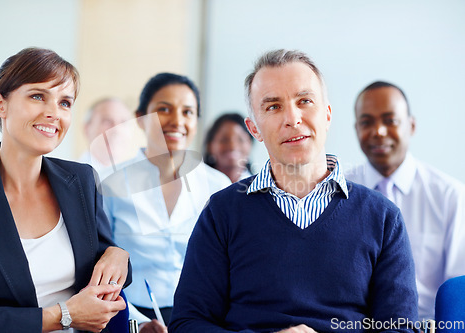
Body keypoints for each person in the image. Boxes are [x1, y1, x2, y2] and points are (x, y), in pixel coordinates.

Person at [169, 50, 419, 333]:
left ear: (327, 115)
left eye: (305, 101)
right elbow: (187, 324)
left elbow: (400, 328)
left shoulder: (383, 218)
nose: (292, 118)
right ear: (254, 129)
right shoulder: (221, 212)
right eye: (273, 107)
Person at [0, 47, 132, 333]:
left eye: (65, 103)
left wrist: (119, 254)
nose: (54, 113)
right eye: (37, 96)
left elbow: (108, 268)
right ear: (0, 104)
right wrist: (64, 315)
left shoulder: (80, 180)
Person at [101, 73, 231, 332]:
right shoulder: (111, 186)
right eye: (164, 109)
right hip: (129, 315)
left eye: (188, 112)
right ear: (141, 117)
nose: (177, 120)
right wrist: (137, 322)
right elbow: (98, 267)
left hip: (204, 316)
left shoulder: (218, 187)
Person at [346, 81, 465, 321]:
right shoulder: (336, 193)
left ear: (411, 126)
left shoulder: (449, 196)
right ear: (356, 129)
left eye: (390, 120)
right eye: (367, 122)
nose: (379, 131)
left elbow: (458, 292)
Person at [80, 97, 133, 180]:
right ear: (87, 129)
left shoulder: (138, 179)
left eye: (123, 122)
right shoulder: (68, 177)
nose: (116, 130)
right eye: (107, 121)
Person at [204, 112, 254, 182]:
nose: (232, 146)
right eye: (224, 140)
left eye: (240, 140)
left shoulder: (262, 186)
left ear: (250, 143)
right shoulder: (198, 185)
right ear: (209, 145)